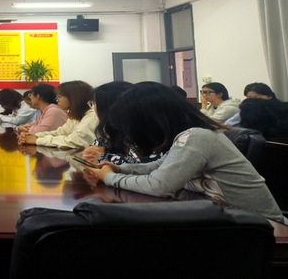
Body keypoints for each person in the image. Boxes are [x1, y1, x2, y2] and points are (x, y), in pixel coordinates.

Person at [84, 82, 283, 223]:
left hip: (264, 228)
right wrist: (119, 169)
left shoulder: (197, 136)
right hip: (230, 220)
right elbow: (159, 166)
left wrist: (109, 177)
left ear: (149, 119)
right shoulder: (187, 136)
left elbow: (160, 186)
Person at [19, 80, 98, 148]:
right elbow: (61, 132)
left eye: (60, 96)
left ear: (73, 98)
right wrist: (36, 136)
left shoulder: (91, 116)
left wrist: (38, 140)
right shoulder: (76, 115)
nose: (57, 100)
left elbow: (75, 141)